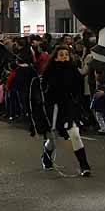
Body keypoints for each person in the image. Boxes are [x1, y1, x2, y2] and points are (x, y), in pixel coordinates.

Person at [30, 45, 92, 176]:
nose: (64, 57)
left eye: (66, 54)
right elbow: (45, 92)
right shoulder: (49, 72)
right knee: (53, 139)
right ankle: (46, 157)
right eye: (61, 55)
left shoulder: (73, 70)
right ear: (56, 57)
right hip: (54, 108)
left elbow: (78, 89)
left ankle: (84, 165)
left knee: (74, 134)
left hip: (69, 107)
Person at [90, 69, 105, 134]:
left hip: (100, 104)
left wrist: (92, 105)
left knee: (99, 116)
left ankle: (103, 128)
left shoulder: (101, 86)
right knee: (104, 115)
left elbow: (96, 96)